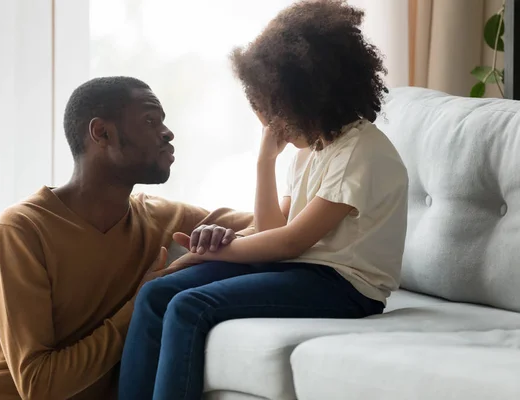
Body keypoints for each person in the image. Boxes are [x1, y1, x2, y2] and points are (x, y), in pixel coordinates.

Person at [117, 1, 409, 399]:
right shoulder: (313, 150)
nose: (273, 126)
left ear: (310, 98)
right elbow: (273, 230)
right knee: (155, 296)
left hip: (345, 287)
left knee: (190, 307)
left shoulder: (360, 152)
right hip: (299, 270)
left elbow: (290, 242)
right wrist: (265, 161)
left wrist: (218, 252)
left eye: (277, 114)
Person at [0, 77, 253, 400]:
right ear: (101, 133)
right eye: (150, 120)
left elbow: (276, 227)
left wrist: (225, 237)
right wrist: (140, 304)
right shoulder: (20, 230)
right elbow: (39, 386)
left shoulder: (163, 218)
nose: (168, 132)